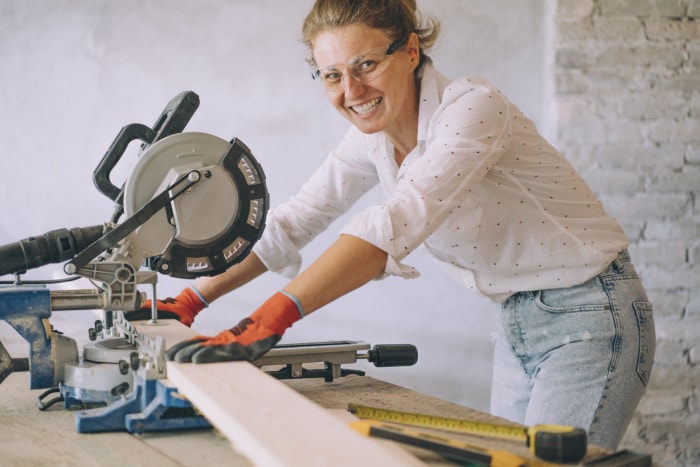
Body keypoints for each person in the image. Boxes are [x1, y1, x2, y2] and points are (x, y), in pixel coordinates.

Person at [141, 0, 656, 451]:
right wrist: (194, 299)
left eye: (366, 64)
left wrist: (268, 320)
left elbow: (394, 223)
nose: (352, 90)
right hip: (515, 321)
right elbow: (295, 222)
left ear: (410, 51)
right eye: (332, 75)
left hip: (590, 316)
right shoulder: (373, 137)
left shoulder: (473, 109)